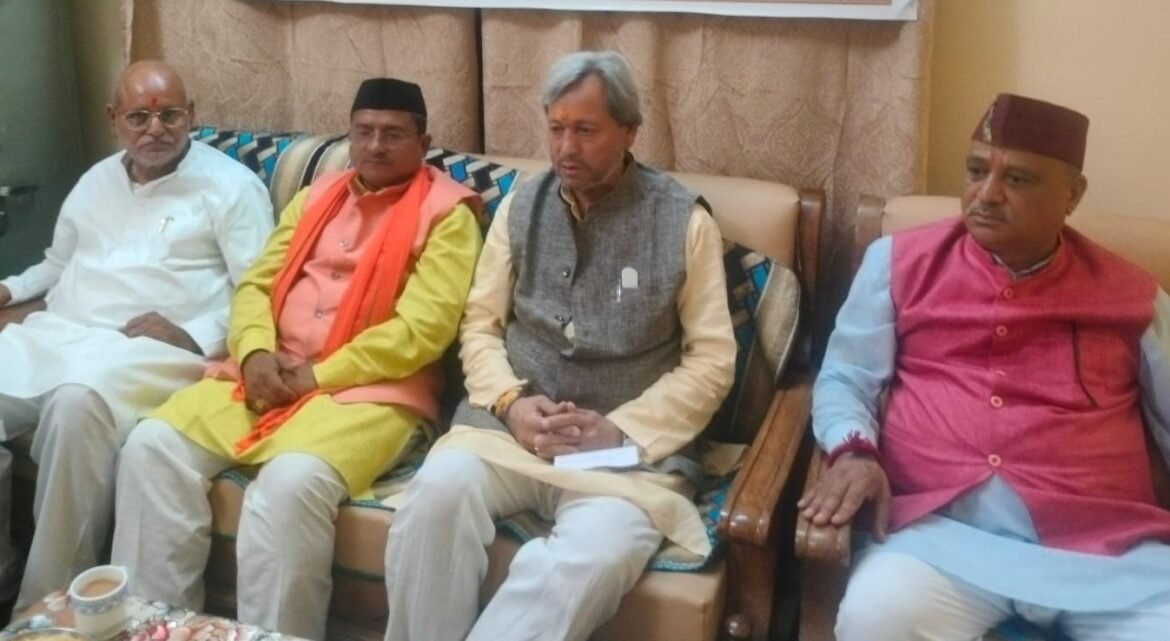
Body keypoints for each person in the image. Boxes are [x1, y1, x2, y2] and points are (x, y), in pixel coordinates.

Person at [111, 77, 483, 640]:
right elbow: (257, 284)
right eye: (364, 132)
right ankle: (159, 631)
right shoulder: (316, 197)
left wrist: (318, 375)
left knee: (289, 483)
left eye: (393, 135)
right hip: (272, 372)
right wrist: (255, 353)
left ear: (423, 142)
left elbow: (421, 332)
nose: (375, 146)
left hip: (372, 392)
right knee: (151, 447)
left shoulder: (449, 214)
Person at [383, 50, 737, 641]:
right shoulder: (522, 204)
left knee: (591, 558)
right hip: (506, 435)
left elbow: (712, 359)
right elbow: (480, 323)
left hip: (624, 459)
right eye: (556, 128)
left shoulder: (682, 221)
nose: (566, 148)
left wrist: (621, 430)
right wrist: (509, 404)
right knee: (433, 501)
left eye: (586, 131)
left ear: (630, 131)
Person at [801, 93, 1170, 640]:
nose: (987, 195)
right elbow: (845, 377)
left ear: (1072, 194)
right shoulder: (898, 263)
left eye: (1017, 179)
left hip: (1105, 552)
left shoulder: (1134, 294)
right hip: (939, 538)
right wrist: (854, 452)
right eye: (976, 171)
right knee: (876, 616)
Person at [0, 61, 273, 609]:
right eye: (139, 117)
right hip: (62, 332)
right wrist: (10, 289)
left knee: (77, 403)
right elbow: (58, 261)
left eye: (169, 115)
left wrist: (193, 334)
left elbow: (260, 289)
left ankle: (47, 606)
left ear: (190, 115)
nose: (155, 129)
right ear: (113, 120)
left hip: (151, 355)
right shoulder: (95, 180)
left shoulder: (231, 187)